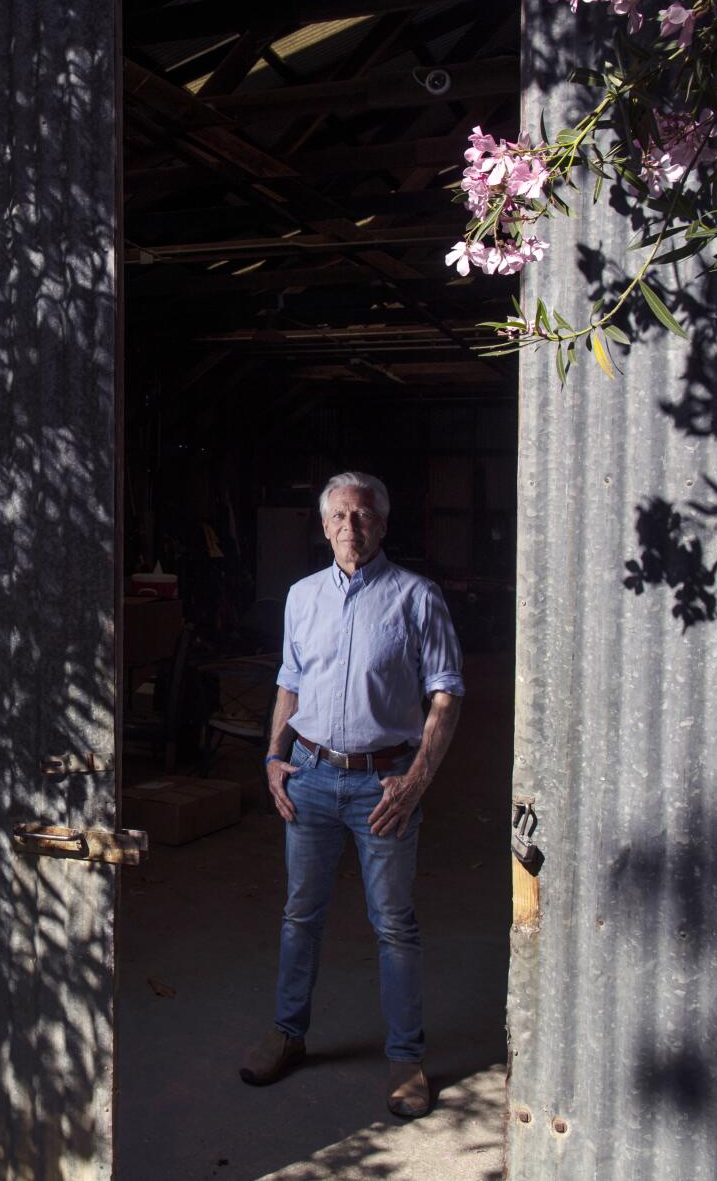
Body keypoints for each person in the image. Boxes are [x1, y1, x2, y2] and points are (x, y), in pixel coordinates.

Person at [237, 471, 464, 1119]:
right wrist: (274, 756)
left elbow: (446, 694)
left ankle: (406, 1058)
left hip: (383, 784)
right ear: (324, 524)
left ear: (383, 523)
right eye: (338, 516)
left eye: (362, 515)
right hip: (309, 777)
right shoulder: (302, 596)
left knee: (393, 924)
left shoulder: (416, 597)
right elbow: (289, 683)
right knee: (300, 913)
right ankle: (288, 1032)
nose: (349, 527)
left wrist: (417, 778)